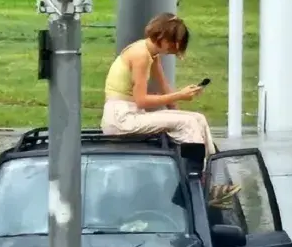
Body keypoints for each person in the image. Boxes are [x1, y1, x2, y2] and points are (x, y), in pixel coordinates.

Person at [101, 12, 240, 208]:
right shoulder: (140, 55)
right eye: (175, 43)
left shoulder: (151, 53)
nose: (176, 49)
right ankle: (193, 189)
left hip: (131, 114)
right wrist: (180, 96)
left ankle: (210, 181)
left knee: (197, 118)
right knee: (188, 122)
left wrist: (179, 108)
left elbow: (165, 88)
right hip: (121, 118)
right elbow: (142, 101)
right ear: (163, 37)